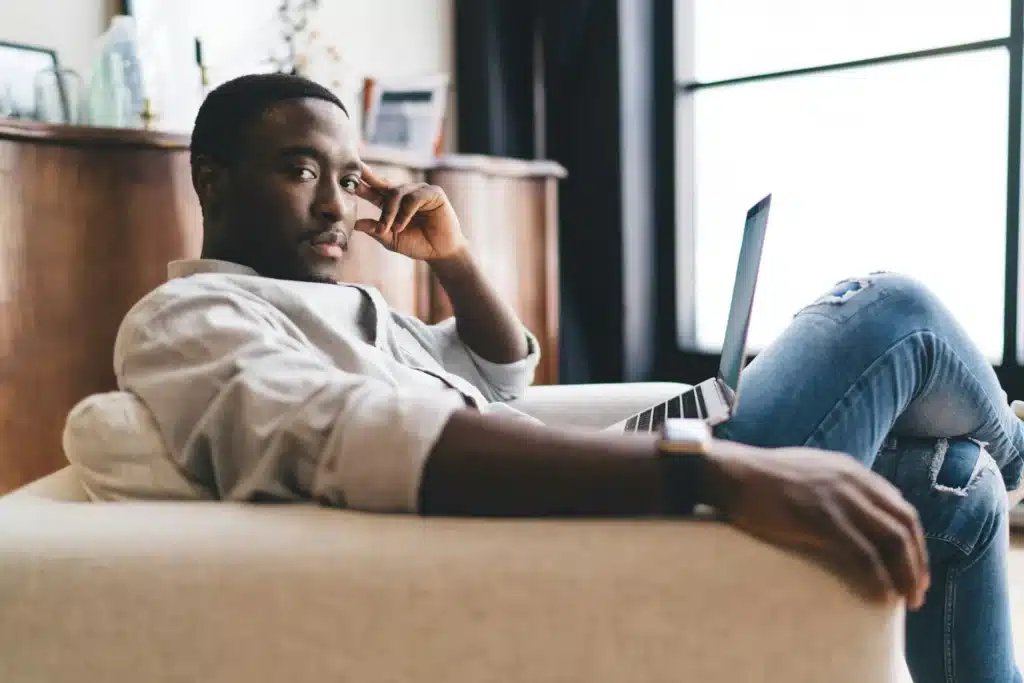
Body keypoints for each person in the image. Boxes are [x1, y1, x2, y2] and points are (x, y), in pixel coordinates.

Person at [111, 73, 1020, 682]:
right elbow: (352, 437)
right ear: (214, 181)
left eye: (347, 178)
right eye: (300, 169)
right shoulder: (191, 320)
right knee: (887, 310)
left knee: (957, 490)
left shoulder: (342, 306)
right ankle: (1018, 444)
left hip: (601, 487)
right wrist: (706, 466)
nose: (332, 202)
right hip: (615, 528)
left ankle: (1001, 465)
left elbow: (502, 373)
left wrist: (454, 259)